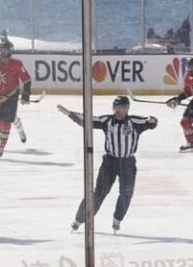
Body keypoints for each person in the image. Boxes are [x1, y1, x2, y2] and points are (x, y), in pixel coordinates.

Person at [58, 96, 158, 233]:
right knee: (99, 192)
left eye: (121, 107)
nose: (118, 110)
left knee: (126, 193)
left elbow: (150, 123)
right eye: (115, 107)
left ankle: (117, 219)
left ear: (127, 108)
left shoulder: (134, 122)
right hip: (110, 162)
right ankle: (79, 219)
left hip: (128, 163)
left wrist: (153, 120)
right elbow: (87, 120)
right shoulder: (107, 121)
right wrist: (70, 114)